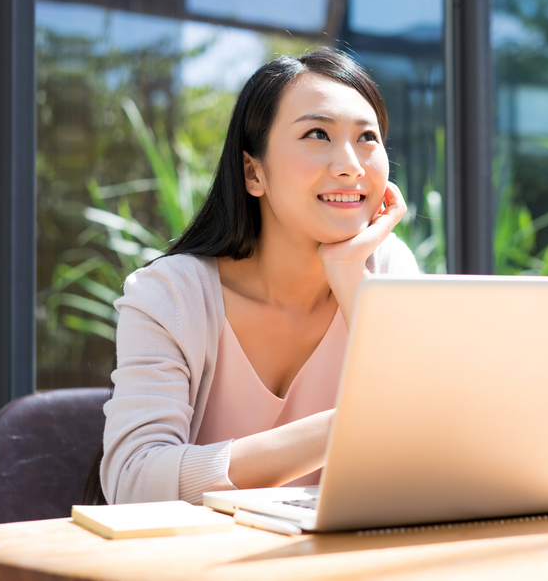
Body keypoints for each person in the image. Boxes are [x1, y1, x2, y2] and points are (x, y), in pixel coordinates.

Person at [100, 49, 419, 505]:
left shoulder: (384, 270)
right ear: (253, 172)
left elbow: (424, 451)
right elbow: (134, 481)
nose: (350, 164)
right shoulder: (172, 295)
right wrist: (348, 425)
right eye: (317, 133)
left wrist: (350, 276)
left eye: (367, 137)